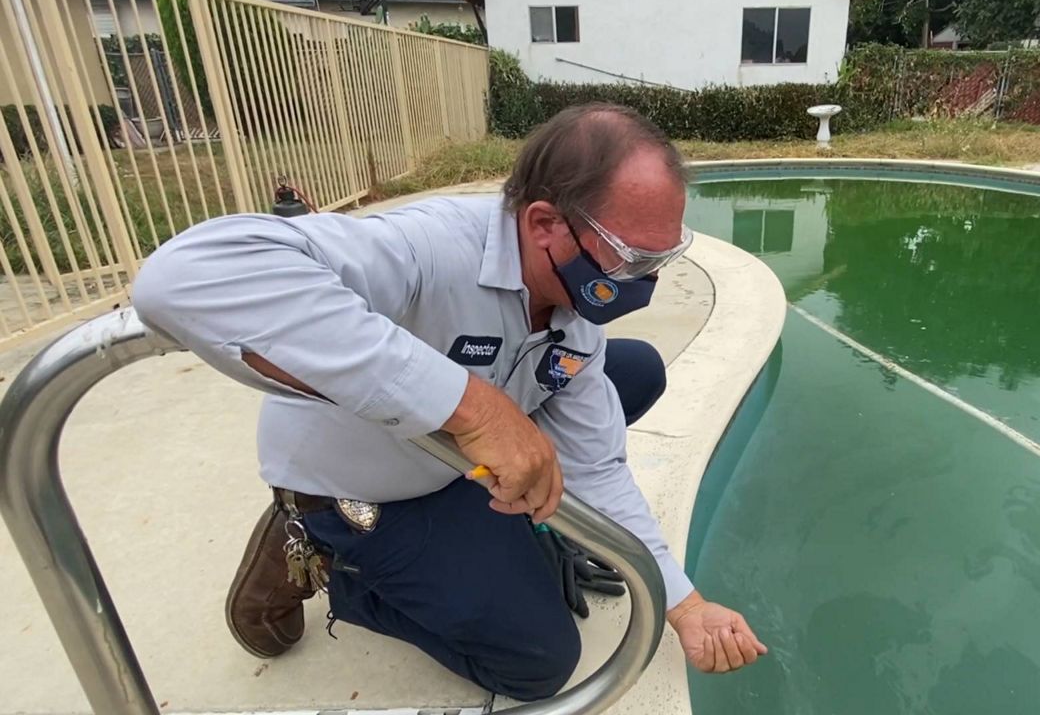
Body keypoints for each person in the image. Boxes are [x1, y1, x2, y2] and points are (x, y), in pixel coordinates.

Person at [131, 103, 767, 702]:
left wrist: (684, 605)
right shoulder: (427, 249)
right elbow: (184, 276)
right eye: (630, 258)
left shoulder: (573, 311)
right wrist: (475, 408)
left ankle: (501, 529)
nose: (645, 282)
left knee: (633, 370)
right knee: (538, 662)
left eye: (661, 258)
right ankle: (334, 565)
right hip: (364, 487)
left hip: (453, 465)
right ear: (544, 224)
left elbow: (597, 467)